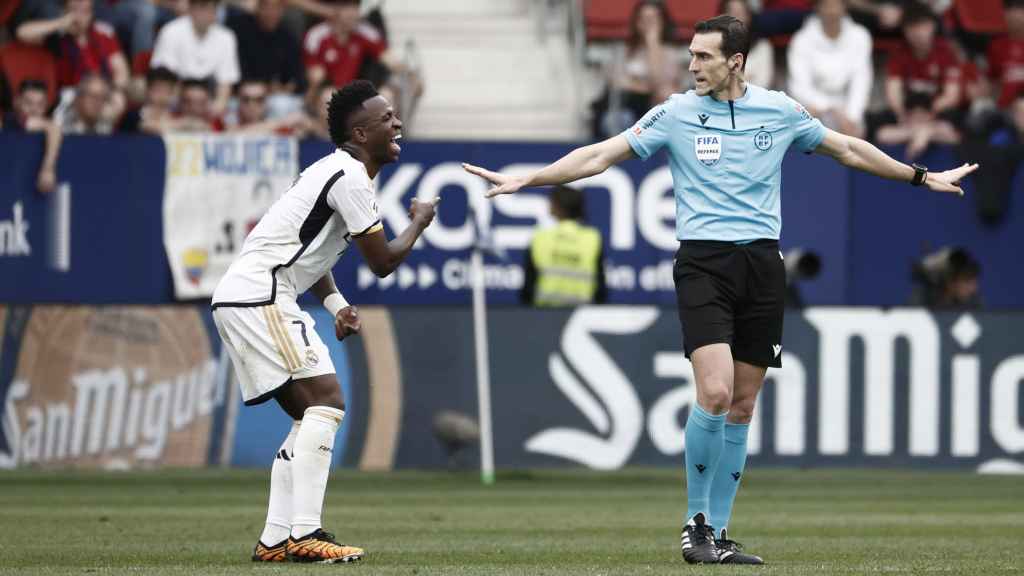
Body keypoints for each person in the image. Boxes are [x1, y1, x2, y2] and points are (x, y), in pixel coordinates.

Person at [464, 13, 976, 566]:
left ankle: (720, 532)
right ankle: (696, 523)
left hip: (763, 266)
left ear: (736, 61)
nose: (692, 65)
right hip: (703, 264)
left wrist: (922, 176)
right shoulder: (675, 113)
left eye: (703, 56)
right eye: (691, 54)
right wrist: (529, 178)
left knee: (742, 404)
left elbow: (849, 149)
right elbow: (599, 155)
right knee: (714, 392)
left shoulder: (779, 110)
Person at [211, 79, 437, 563]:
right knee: (328, 401)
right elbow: (382, 262)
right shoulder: (351, 177)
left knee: (308, 417)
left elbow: (310, 255)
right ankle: (306, 533)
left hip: (249, 295)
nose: (398, 123)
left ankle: (275, 539)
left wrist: (336, 306)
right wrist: (418, 221)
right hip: (262, 296)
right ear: (360, 134)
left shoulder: (333, 171)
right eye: (387, 118)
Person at [875, 2, 961, 159]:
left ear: (932, 26)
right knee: (882, 134)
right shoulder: (898, 53)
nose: (918, 33)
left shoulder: (946, 52)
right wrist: (903, 115)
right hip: (908, 115)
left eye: (923, 26)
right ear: (905, 30)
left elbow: (951, 95)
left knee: (950, 131)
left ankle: (926, 132)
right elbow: (893, 93)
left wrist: (930, 114)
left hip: (937, 114)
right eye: (912, 27)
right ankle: (923, 133)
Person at [590, 0, 685, 139]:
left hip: (653, 113)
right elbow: (616, 83)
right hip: (625, 108)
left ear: (663, 22)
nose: (647, 24)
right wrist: (647, 88)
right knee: (617, 119)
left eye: (653, 19)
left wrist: (652, 42)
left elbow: (662, 89)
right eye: (643, 18)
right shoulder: (624, 51)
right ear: (636, 21)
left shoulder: (671, 54)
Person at [787, 0, 873, 138]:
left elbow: (861, 80)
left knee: (856, 135)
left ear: (845, 7)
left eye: (836, 5)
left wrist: (852, 116)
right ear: (818, 8)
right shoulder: (801, 39)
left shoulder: (860, 36)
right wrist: (828, 108)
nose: (832, 11)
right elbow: (799, 86)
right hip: (813, 108)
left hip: (847, 109)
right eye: (827, 6)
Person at [151, 0, 241, 119]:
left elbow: (226, 82)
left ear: (216, 12)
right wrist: (185, 104)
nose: (205, 14)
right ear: (191, 9)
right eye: (201, 8)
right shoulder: (170, 31)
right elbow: (164, 78)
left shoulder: (227, 37)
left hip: (209, 98)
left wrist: (218, 106)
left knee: (232, 109)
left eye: (210, 9)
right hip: (176, 97)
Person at [521, 185, 608, 307]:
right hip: (581, 312)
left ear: (556, 206)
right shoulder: (592, 238)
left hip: (544, 312)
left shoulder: (540, 238)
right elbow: (601, 287)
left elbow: (528, 286)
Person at [1, 78, 63, 193]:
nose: (34, 109)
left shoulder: (46, 125)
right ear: (16, 102)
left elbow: (53, 129)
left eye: (40, 104)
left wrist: (48, 169)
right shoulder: (10, 119)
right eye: (28, 103)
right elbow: (51, 128)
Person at [719, 0, 773, 89]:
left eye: (740, 12)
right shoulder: (711, 44)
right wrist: (746, 78)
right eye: (731, 11)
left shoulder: (763, 46)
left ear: (749, 17)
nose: (735, 16)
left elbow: (763, 83)